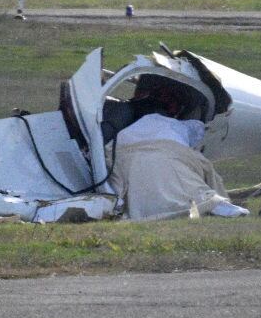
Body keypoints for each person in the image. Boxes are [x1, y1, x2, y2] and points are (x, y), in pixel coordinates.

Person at [107, 81, 249, 221]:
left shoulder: (123, 132)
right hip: (169, 156)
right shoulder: (178, 125)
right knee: (194, 189)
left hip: (128, 161)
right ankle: (218, 207)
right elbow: (203, 135)